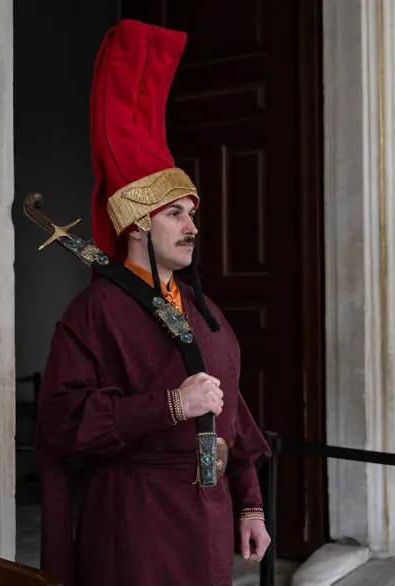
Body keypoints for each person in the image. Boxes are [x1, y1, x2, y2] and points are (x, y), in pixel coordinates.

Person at [33, 20, 271, 586]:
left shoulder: (204, 312)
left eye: (193, 214)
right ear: (138, 223)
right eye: (176, 214)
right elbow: (63, 422)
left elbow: (233, 416)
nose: (193, 226)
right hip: (134, 523)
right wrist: (167, 405)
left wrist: (251, 505)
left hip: (208, 523)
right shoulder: (94, 314)